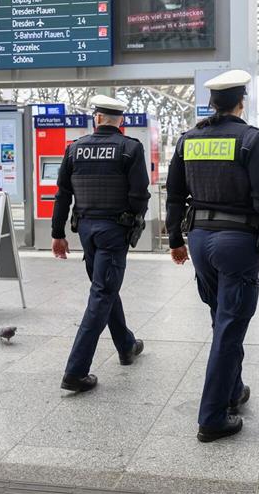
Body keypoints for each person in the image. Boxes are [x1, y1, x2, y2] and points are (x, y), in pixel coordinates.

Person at [165, 69, 259, 442]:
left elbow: (174, 195)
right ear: (241, 102)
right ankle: (212, 417)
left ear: (213, 103)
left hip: (199, 241)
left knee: (222, 319)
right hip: (236, 242)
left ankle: (233, 390)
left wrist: (175, 239)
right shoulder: (249, 139)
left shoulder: (188, 139)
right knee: (230, 326)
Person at [52, 95, 150, 393]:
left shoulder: (75, 149)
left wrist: (57, 234)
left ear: (96, 118)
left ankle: (126, 345)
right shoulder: (130, 148)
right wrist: (132, 221)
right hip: (114, 231)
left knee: (104, 287)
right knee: (102, 294)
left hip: (85, 230)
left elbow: (62, 194)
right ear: (121, 121)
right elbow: (139, 194)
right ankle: (75, 372)